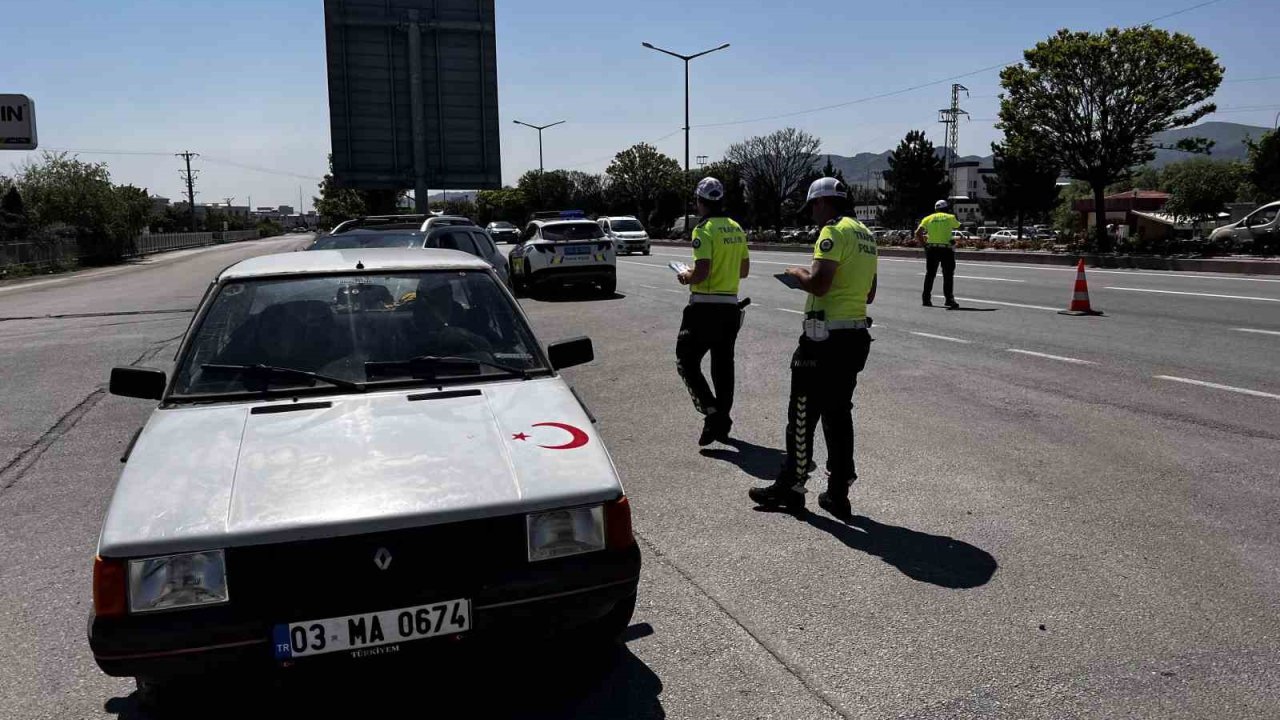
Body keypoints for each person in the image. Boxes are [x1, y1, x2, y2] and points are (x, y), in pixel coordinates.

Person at [748, 177, 877, 520]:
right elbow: (869, 293)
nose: (812, 215)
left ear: (822, 202)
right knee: (838, 414)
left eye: (812, 207)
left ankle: (791, 487)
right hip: (855, 337)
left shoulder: (832, 232)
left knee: (803, 412)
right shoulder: (866, 235)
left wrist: (797, 274)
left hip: (824, 340)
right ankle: (838, 492)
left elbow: (819, 285)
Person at [675, 177, 750, 446]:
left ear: (700, 202)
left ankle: (713, 413)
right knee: (723, 366)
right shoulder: (735, 228)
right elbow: (744, 270)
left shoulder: (703, 230)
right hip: (730, 306)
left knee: (685, 361)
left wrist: (687, 275)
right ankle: (721, 420)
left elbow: (702, 271)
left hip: (704, 307)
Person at [917, 199, 961, 309]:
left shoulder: (928, 218)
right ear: (946, 208)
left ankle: (926, 299)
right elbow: (958, 226)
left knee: (930, 274)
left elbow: (917, 232)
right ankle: (949, 299)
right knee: (948, 275)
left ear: (936, 209)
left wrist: (925, 245)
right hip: (946, 250)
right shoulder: (950, 217)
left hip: (932, 249)